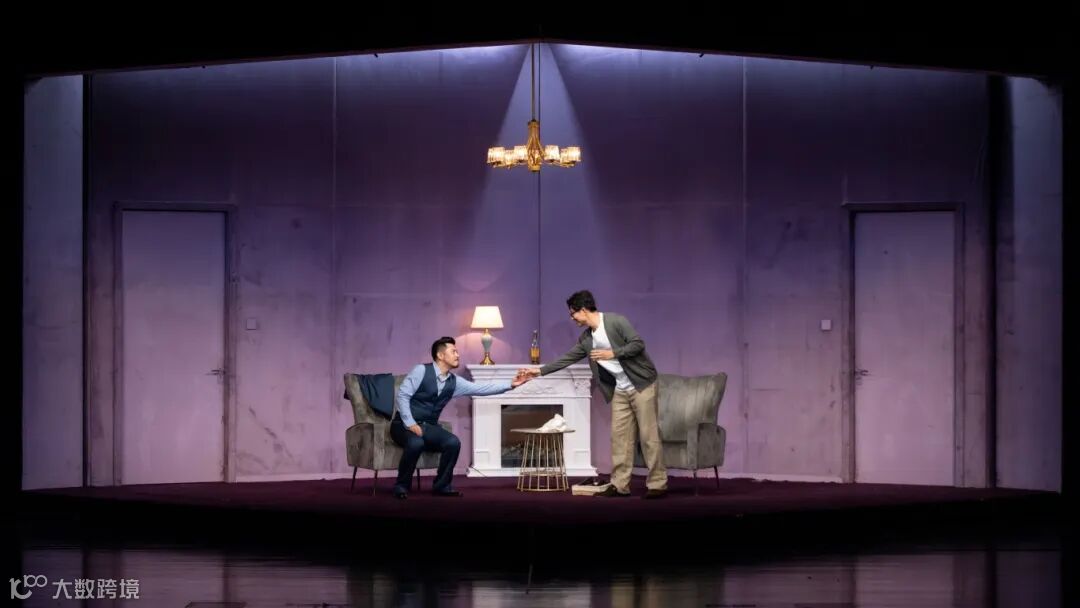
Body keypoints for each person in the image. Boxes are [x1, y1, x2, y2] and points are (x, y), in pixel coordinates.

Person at [521, 290, 668, 498]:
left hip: (641, 384)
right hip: (620, 389)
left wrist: (613, 353)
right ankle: (620, 485)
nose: (572, 318)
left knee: (648, 436)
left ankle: (657, 485)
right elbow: (567, 358)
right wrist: (538, 371)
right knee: (619, 438)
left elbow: (637, 344)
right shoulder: (586, 338)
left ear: (583, 310)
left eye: (573, 313)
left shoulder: (615, 322)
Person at [391, 336, 531, 499]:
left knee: (453, 442)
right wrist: (410, 423)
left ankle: (442, 486)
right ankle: (401, 486)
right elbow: (402, 395)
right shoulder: (421, 371)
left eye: (457, 352)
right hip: (402, 425)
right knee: (416, 442)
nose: (458, 355)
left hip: (428, 427)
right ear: (440, 355)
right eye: (454, 351)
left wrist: (511, 384)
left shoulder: (454, 382)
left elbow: (481, 388)